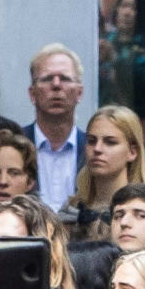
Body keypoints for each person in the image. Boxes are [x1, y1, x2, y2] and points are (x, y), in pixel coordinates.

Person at [29, 41, 90, 213]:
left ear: (79, 93)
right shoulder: (13, 147)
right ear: (32, 93)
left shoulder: (94, 149)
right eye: (47, 79)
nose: (56, 85)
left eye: (64, 78)